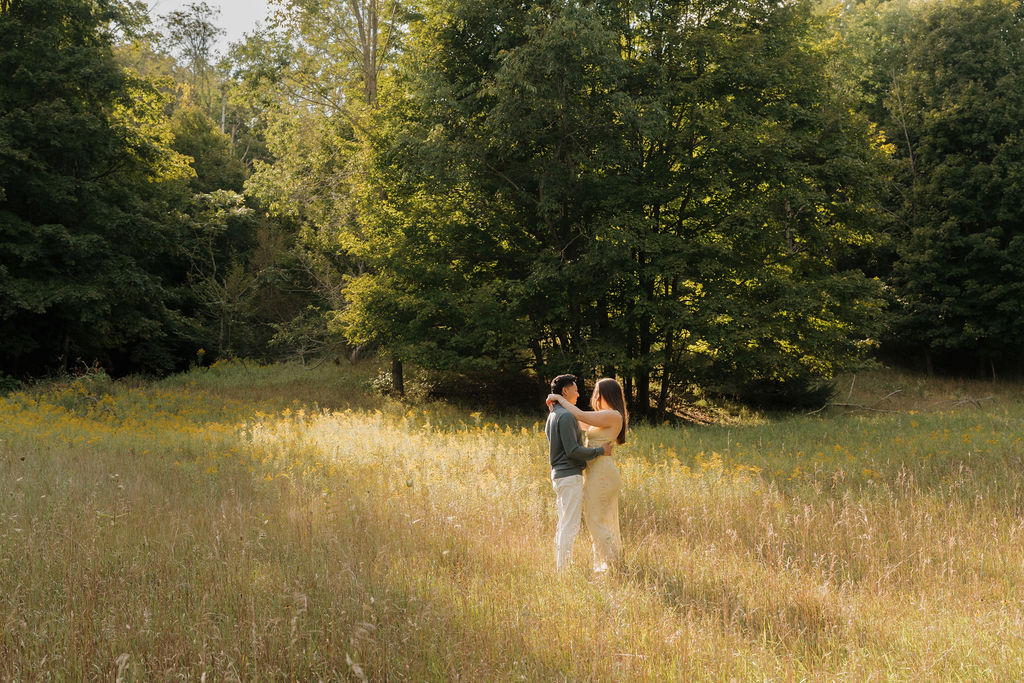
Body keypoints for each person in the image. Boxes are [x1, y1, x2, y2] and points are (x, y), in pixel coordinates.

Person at [547, 378, 628, 573]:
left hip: (602, 473)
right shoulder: (601, 417)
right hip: (594, 472)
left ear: (605, 395)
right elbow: (573, 419)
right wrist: (555, 409)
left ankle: (613, 564)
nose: (593, 396)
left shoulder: (613, 415)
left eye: (596, 392)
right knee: (596, 519)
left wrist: (557, 397)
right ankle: (604, 564)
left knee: (594, 520)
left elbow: (578, 414)